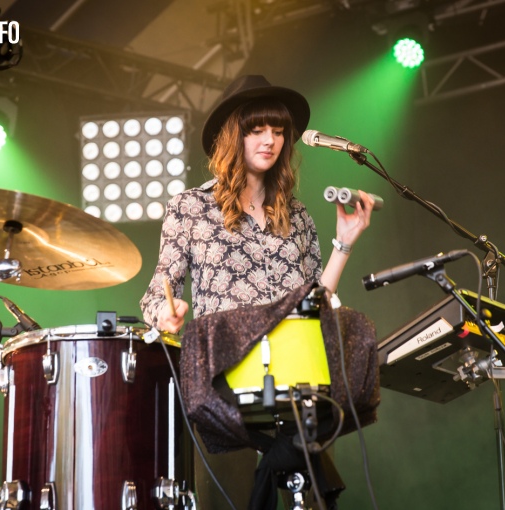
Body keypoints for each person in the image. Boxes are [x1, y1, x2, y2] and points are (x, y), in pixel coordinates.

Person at [139, 74, 375, 509]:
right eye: (257, 129)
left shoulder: (298, 215)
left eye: (279, 131)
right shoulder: (189, 208)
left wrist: (345, 241)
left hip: (299, 385)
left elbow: (314, 303)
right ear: (234, 135)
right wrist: (165, 317)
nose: (270, 140)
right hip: (226, 395)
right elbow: (156, 294)